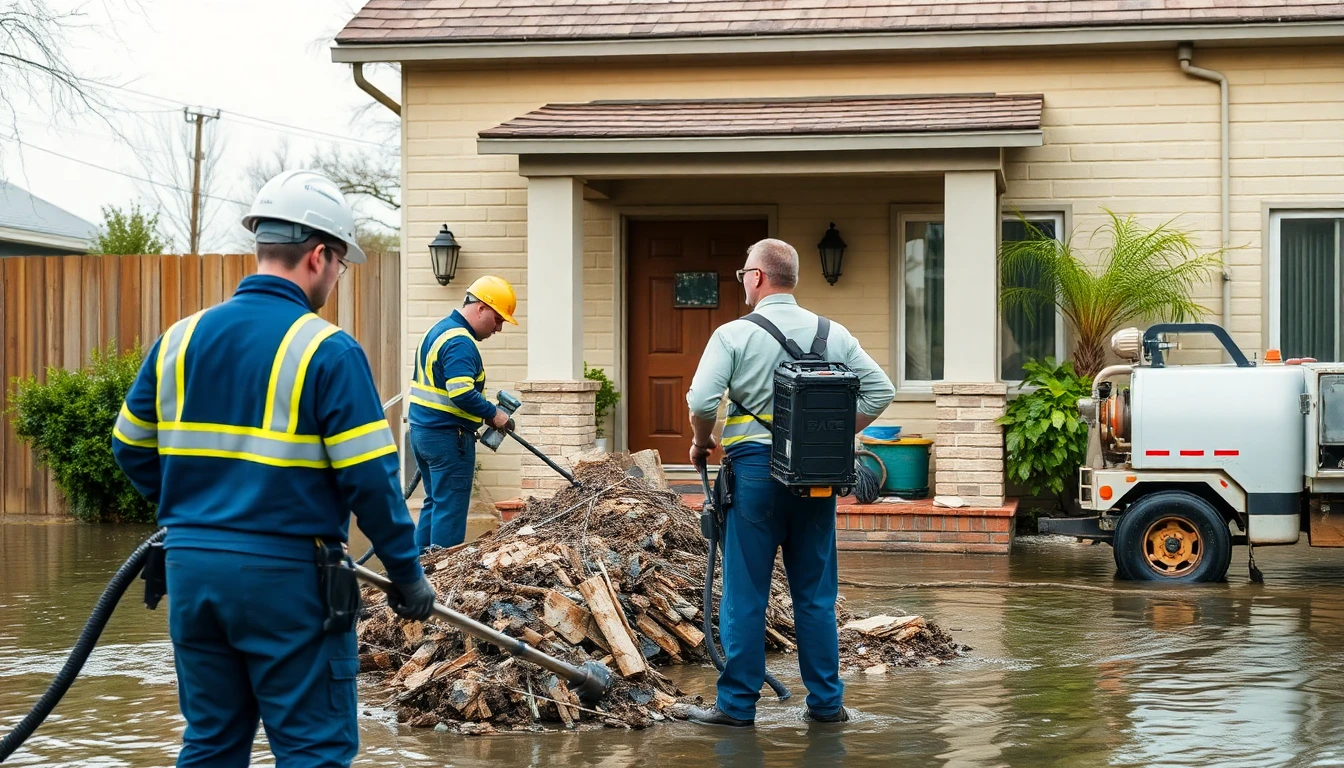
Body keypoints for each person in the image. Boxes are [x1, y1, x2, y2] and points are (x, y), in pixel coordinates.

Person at [112, 170, 437, 767]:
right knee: (313, 750)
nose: (336, 278)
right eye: (341, 265)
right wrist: (406, 574)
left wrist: (201, 512)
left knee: (211, 744)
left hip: (191, 570)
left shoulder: (179, 339)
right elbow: (370, 479)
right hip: (287, 579)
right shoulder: (327, 350)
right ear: (318, 256)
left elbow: (129, 447)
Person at [684, 238, 895, 728]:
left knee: (746, 595)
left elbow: (702, 401)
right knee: (816, 597)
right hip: (816, 479)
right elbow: (881, 390)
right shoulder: (833, 333)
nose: (743, 281)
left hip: (754, 477)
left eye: (744, 274)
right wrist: (829, 435)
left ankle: (737, 708)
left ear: (757, 277)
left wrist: (701, 441)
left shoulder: (734, 334)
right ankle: (826, 705)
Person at [407, 275, 517, 551]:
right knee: (450, 508)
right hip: (448, 438)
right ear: (481, 308)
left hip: (424, 433)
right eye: (498, 319)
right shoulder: (460, 342)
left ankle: (420, 568)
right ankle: (443, 571)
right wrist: (494, 414)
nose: (498, 328)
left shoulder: (439, 330)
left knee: (435, 502)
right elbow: (461, 392)